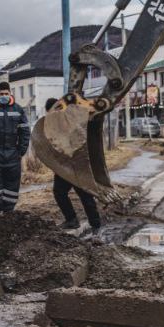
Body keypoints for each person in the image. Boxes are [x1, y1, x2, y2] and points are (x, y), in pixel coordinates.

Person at [46, 97, 102, 236]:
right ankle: (71, 219)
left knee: (85, 194)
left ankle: (96, 225)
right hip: (64, 165)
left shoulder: (72, 120)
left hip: (78, 164)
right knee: (59, 192)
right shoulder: (51, 125)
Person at [0, 82, 30, 213]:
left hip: (13, 154)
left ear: (10, 94)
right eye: (1, 94)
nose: (4, 96)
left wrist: (21, 151)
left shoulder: (18, 110)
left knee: (12, 186)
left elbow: (25, 132)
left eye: (6, 94)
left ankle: (9, 213)